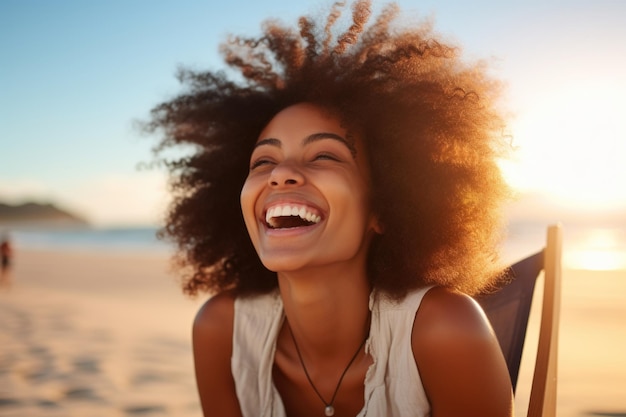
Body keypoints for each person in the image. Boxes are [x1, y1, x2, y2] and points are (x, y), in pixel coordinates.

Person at [146, 1, 513, 416]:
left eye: (324, 156)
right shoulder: (221, 330)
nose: (280, 174)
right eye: (263, 161)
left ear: (386, 207)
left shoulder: (445, 329)